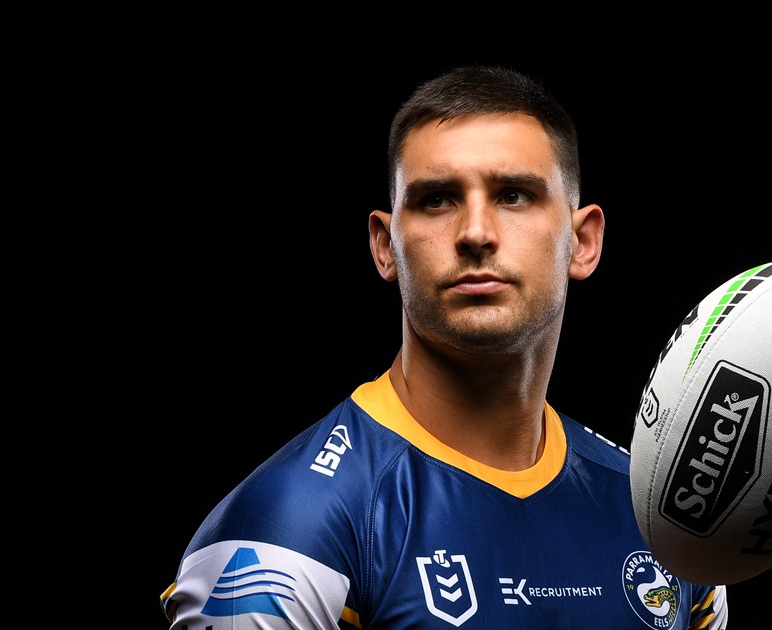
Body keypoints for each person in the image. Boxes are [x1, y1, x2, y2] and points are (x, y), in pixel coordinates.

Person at [159, 65, 730, 629]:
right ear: (385, 247)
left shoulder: (659, 519)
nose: (475, 233)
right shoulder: (282, 532)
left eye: (513, 195)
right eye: (436, 199)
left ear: (582, 241)